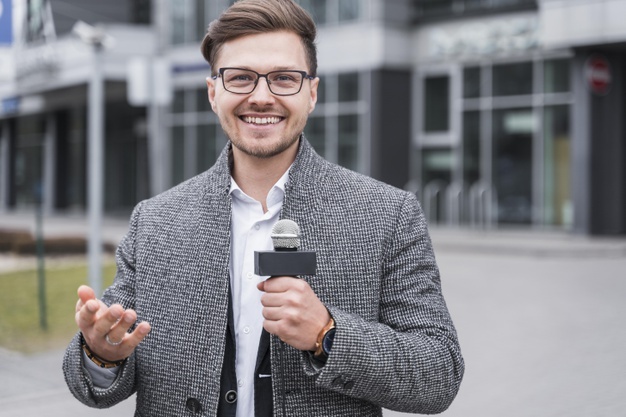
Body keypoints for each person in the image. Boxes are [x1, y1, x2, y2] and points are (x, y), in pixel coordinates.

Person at [63, 0, 464, 415]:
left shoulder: (388, 215)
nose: (260, 97)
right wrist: (101, 353)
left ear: (311, 93)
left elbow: (438, 373)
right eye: (240, 78)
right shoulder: (155, 221)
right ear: (213, 92)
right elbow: (101, 381)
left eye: (284, 79)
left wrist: (327, 334)